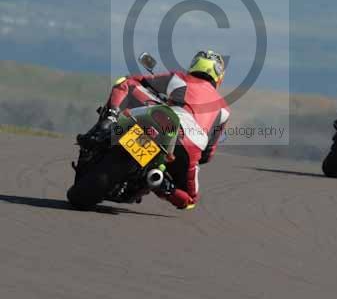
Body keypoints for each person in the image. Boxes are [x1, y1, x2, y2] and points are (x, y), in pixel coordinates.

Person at [78, 50, 230, 210]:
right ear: (219, 76)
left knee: (127, 82)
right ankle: (161, 184)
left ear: (194, 64)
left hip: (167, 124)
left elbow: (138, 80)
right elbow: (207, 155)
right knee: (190, 200)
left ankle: (108, 122)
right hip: (190, 147)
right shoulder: (224, 110)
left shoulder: (179, 78)